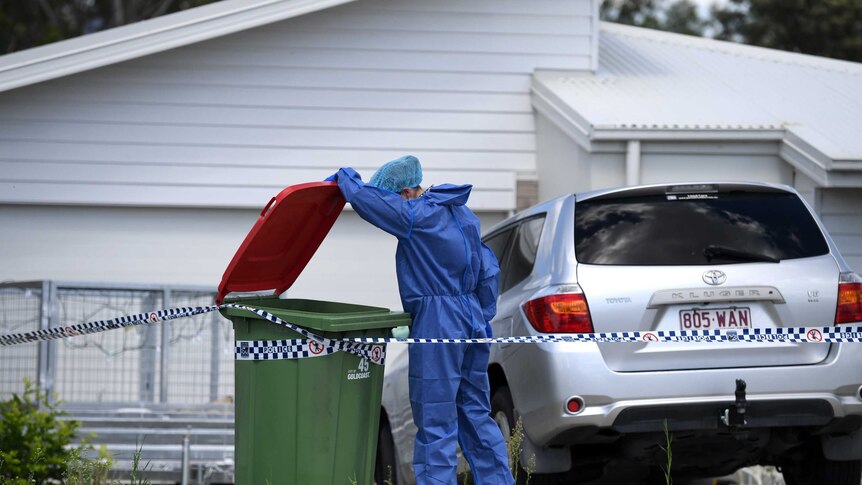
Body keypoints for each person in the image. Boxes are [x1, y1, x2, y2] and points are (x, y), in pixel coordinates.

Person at [327, 155, 514, 485]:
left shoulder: (417, 215)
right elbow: (489, 270)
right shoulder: (462, 215)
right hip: (471, 322)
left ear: (405, 192)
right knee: (475, 414)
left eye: (395, 197)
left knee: (435, 419)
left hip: (439, 323)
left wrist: (346, 178)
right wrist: (479, 316)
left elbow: (365, 201)